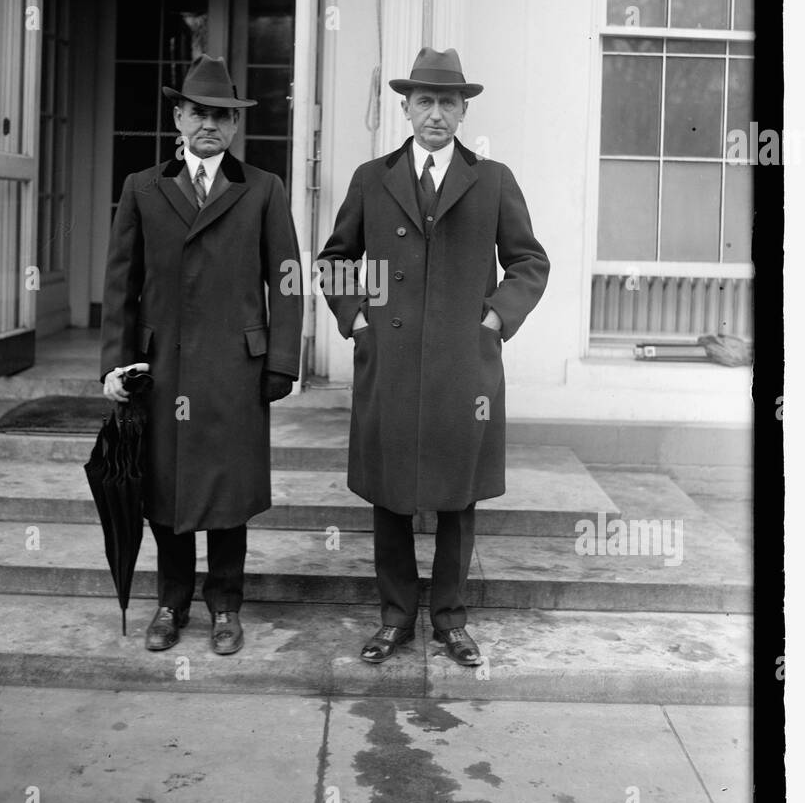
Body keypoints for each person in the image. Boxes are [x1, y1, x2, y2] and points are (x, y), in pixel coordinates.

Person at [316, 47, 549, 666]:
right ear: (406, 108)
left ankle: (449, 619)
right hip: (389, 360)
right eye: (425, 101)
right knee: (389, 494)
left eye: (449, 102)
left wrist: (495, 319)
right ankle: (395, 617)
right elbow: (334, 260)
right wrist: (358, 321)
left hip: (461, 367)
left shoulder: (492, 179)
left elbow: (530, 260)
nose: (437, 114)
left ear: (463, 110)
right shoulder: (373, 178)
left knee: (457, 495)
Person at [100, 54, 302, 655]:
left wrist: (282, 361)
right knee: (165, 489)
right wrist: (116, 362)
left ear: (235, 125)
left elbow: (286, 277)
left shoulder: (262, 189)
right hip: (162, 369)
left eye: (221, 115)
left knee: (228, 491)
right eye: (197, 112)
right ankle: (170, 602)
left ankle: (226, 606)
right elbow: (121, 283)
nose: (209, 124)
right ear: (178, 116)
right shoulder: (143, 187)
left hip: (235, 370)